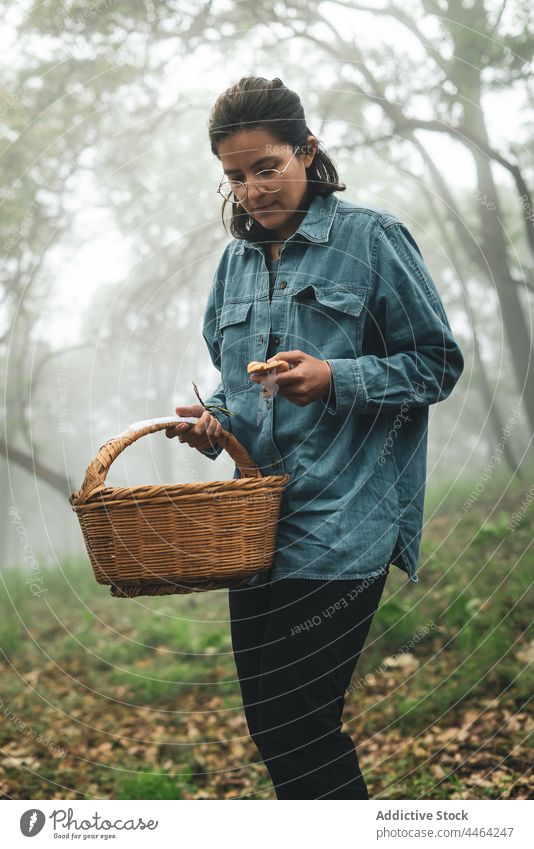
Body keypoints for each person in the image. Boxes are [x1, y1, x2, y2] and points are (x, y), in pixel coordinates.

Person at [165, 77, 464, 799]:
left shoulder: (372, 238)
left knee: (296, 720)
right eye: (235, 176)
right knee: (273, 724)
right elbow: (241, 394)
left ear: (308, 150)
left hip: (346, 523)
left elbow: (437, 364)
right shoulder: (234, 265)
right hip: (258, 531)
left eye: (267, 167)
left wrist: (337, 375)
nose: (252, 189)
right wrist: (217, 428)